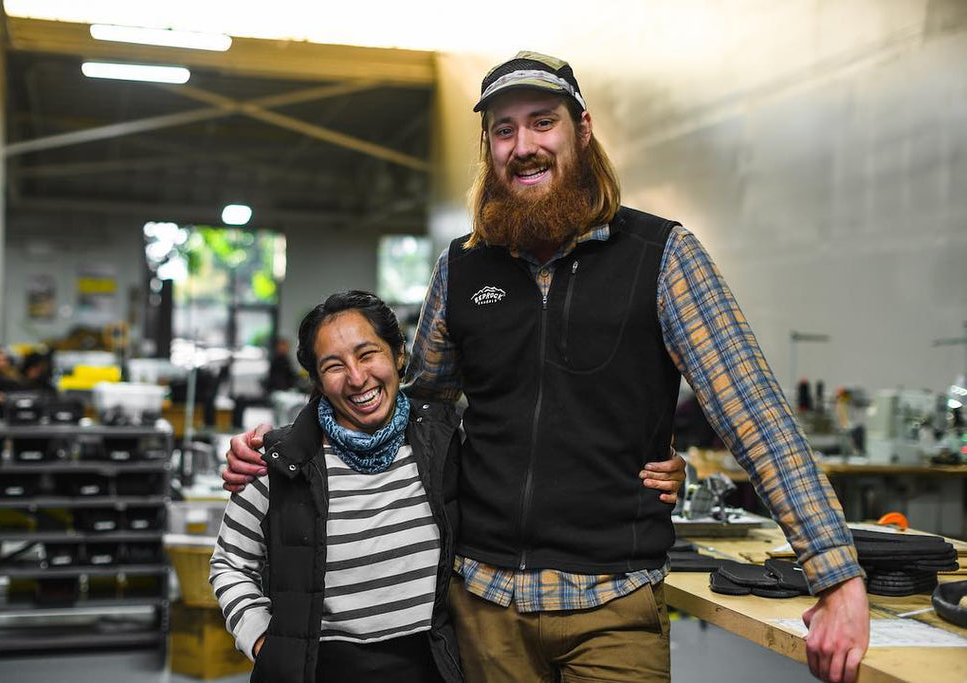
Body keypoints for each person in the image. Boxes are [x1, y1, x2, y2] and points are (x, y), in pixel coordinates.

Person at [225, 50, 869, 682]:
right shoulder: (463, 267)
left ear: (582, 131)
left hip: (613, 603)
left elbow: (756, 413)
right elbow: (412, 406)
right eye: (503, 130)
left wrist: (835, 573)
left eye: (542, 121)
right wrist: (284, 448)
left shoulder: (662, 256)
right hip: (482, 608)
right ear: (489, 148)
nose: (522, 144)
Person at [210, 291, 463, 682]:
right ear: (318, 381)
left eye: (367, 354)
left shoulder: (445, 444)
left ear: (398, 355)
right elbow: (230, 562)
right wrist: (263, 641)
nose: (357, 378)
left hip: (433, 668)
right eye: (334, 366)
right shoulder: (277, 462)